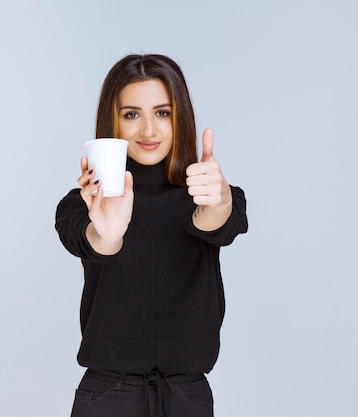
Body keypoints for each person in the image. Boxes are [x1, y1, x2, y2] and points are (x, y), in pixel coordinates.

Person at [55, 54, 248, 417]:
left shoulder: (207, 194)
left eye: (163, 113)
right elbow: (95, 240)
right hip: (108, 396)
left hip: (186, 396)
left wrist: (219, 199)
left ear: (182, 119)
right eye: (131, 114)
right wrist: (108, 233)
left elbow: (215, 222)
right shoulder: (82, 205)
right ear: (111, 122)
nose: (148, 131)